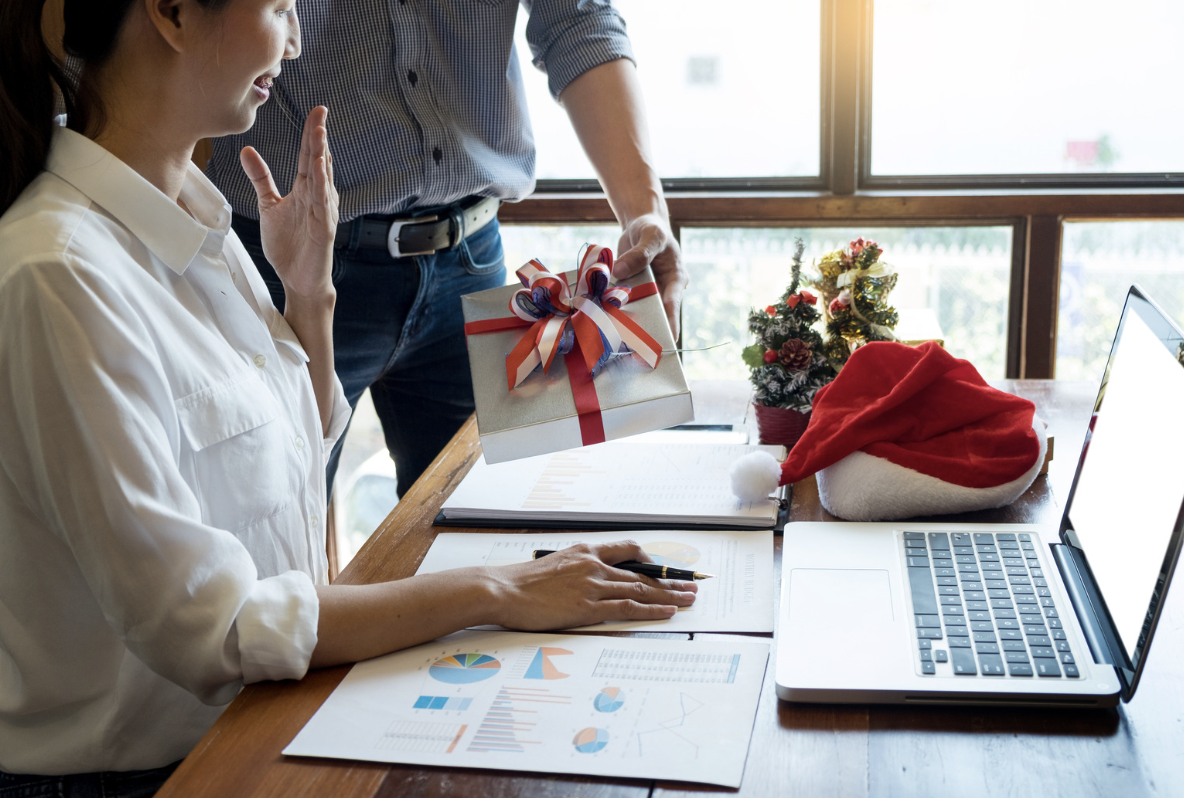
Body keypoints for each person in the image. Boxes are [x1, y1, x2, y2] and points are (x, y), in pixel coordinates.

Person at [0, 1, 697, 793]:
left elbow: (288, 467)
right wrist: (501, 590)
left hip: (250, 714)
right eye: (279, 8)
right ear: (171, 15)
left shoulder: (196, 218)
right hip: (145, 770)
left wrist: (308, 297)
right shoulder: (57, 274)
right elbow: (214, 627)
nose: (295, 42)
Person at [208, 1, 689, 497]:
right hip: (288, 259)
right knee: (275, 515)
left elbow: (576, 18)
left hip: (470, 260)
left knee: (486, 525)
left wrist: (644, 210)